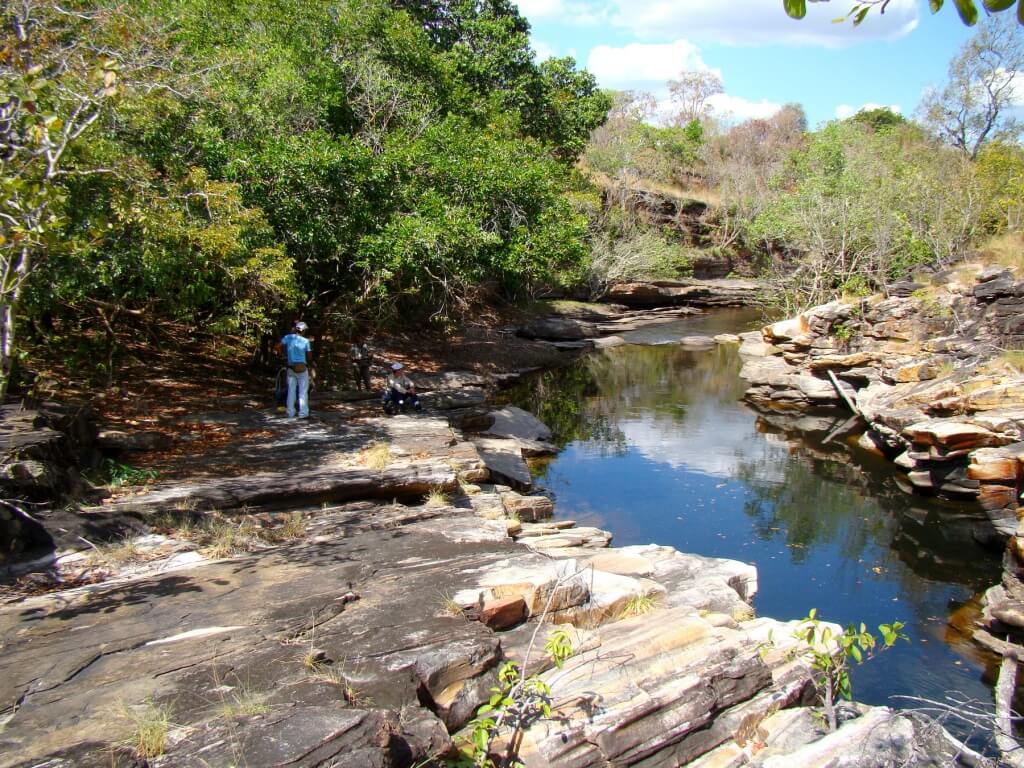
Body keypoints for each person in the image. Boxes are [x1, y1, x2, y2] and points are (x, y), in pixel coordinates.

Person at [275, 321, 312, 418]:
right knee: (303, 391)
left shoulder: (288, 337)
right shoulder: (305, 341)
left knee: (291, 390)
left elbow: (278, 346)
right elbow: (309, 356)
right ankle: (303, 413)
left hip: (290, 367)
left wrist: (282, 355)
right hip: (301, 367)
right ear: (303, 331)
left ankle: (290, 412)